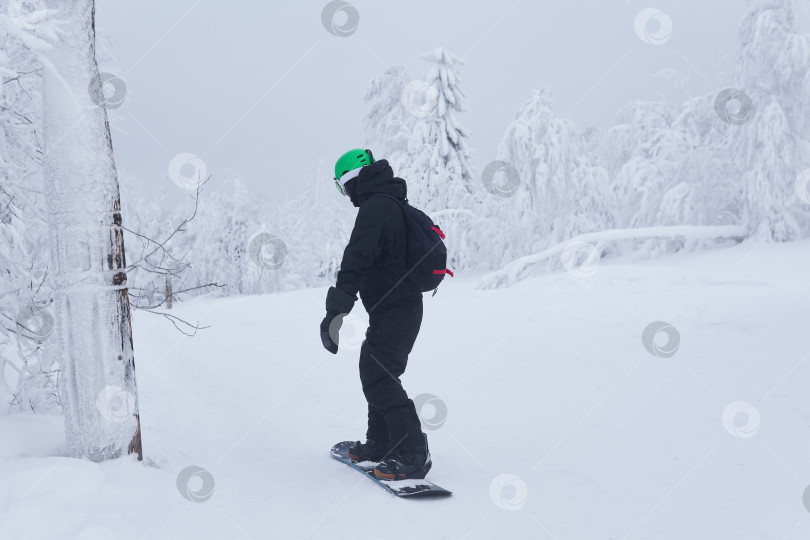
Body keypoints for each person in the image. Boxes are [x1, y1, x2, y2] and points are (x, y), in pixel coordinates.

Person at [320, 148, 431, 480]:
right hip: (396, 309)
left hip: (397, 309)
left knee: (378, 376)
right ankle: (381, 442)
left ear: (354, 178)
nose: (346, 194)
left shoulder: (376, 207)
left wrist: (334, 312)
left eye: (343, 186)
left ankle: (413, 451)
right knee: (376, 372)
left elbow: (357, 259)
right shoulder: (390, 203)